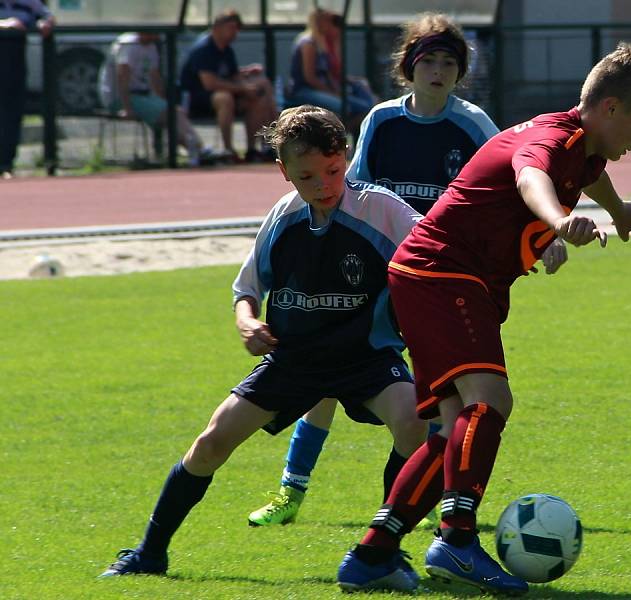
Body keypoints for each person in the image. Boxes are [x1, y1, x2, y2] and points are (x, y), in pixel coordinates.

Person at [336, 42, 631, 594]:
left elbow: (587, 174)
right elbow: (530, 178)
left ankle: (372, 554)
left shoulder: (584, 147)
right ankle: (456, 541)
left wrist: (617, 209)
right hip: (444, 273)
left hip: (436, 276)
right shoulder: (551, 139)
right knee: (490, 401)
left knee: (452, 431)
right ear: (611, 109)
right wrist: (558, 220)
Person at [246, 11, 569, 531]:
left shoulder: (472, 125)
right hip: (380, 272)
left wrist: (545, 232)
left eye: (448, 62)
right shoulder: (381, 120)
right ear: (408, 67)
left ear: (459, 71)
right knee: (326, 377)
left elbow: (518, 177)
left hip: (446, 278)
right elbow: (349, 191)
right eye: (428, 61)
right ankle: (292, 490)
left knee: (446, 391)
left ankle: (416, 501)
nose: (437, 71)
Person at [99, 105, 427, 578]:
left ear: (347, 160)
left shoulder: (380, 209)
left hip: (366, 356)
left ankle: (382, 551)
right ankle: (148, 554)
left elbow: (434, 246)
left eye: (334, 171)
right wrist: (247, 323)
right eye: (307, 175)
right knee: (211, 443)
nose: (323, 185)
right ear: (284, 172)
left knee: (414, 424)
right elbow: (246, 289)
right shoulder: (283, 217)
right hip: (293, 360)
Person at [179, 9, 279, 163]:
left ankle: (253, 150)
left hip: (225, 98)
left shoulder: (227, 50)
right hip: (198, 100)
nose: (235, 32)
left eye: (237, 28)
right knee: (224, 97)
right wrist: (243, 88)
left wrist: (247, 77)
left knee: (258, 94)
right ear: (217, 27)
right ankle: (228, 150)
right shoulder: (204, 48)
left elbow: (233, 76)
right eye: (231, 27)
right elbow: (210, 83)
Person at [99, 32, 211, 166]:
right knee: (171, 114)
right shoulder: (128, 44)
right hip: (120, 99)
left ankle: (198, 149)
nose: (158, 36)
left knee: (175, 113)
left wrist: (164, 103)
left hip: (142, 96)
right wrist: (127, 108)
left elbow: (155, 78)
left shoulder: (151, 47)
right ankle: (197, 150)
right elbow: (122, 78)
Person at [286, 8, 377, 136]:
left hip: (322, 88)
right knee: (344, 106)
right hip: (303, 90)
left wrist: (335, 89)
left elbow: (330, 72)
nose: (329, 25)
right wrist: (332, 92)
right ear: (318, 22)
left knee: (363, 105)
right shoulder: (308, 43)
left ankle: (345, 134)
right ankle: (338, 135)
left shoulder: (321, 42)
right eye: (327, 21)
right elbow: (310, 78)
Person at [0, 0, 53, 179]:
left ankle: (6, 164)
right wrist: (4, 24)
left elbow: (46, 15)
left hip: (14, 61)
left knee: (11, 113)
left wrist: (45, 22)